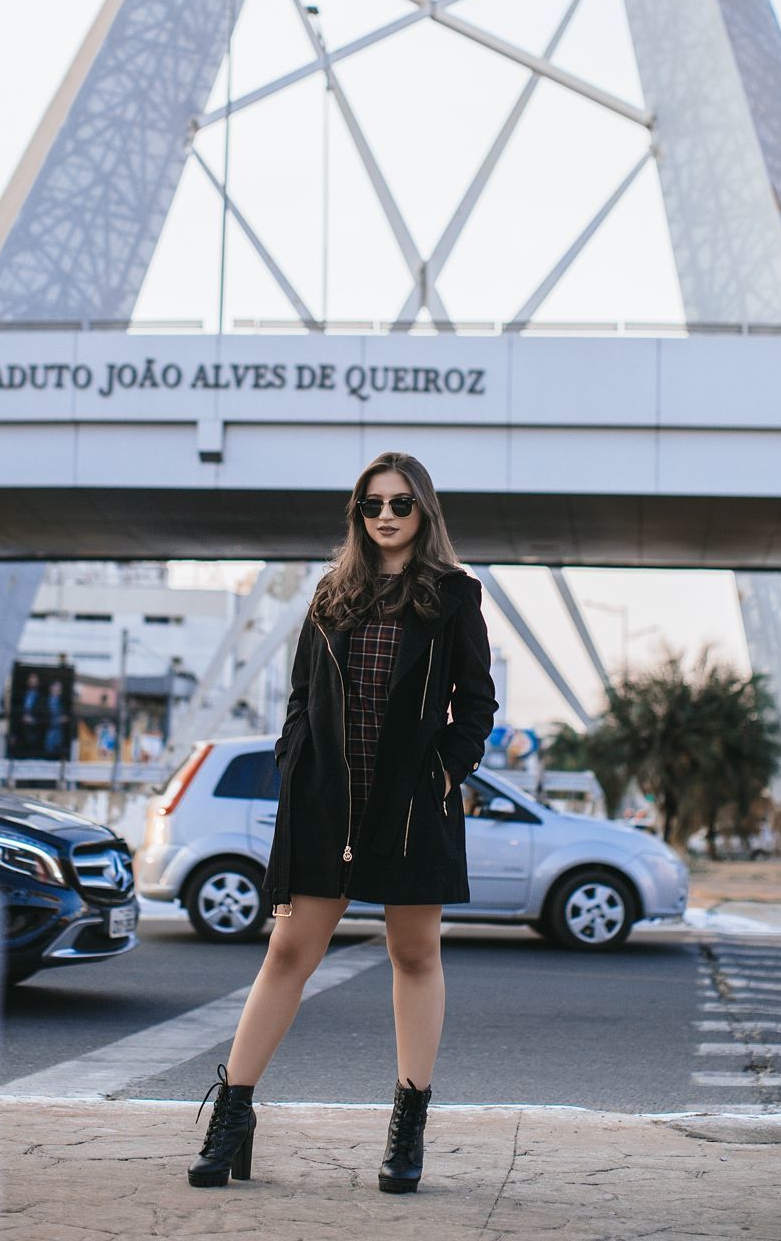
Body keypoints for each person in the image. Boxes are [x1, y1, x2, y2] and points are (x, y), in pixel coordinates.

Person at [188, 450, 499, 1194]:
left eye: (400, 503)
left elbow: (476, 706)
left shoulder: (454, 596)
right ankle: (232, 1114)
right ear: (357, 514)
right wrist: (295, 763)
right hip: (327, 801)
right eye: (372, 504)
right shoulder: (331, 593)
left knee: (414, 955)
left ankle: (407, 1125)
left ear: (423, 511)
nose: (385, 516)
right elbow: (300, 698)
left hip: (409, 809)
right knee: (287, 953)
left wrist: (442, 773)